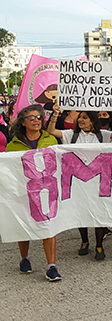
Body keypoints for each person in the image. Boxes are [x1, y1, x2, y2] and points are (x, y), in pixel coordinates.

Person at [46, 104, 112, 260]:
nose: (81, 120)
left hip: (99, 181)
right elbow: (51, 131)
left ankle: (99, 244)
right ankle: (84, 241)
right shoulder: (71, 135)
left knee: (99, 213)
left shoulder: (103, 135)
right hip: (78, 181)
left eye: (85, 117)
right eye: (80, 117)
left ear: (92, 121)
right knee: (81, 211)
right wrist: (55, 114)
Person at [6, 105, 62, 280]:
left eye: (39, 117)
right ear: (23, 122)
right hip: (24, 193)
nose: (37, 120)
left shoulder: (51, 140)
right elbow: (9, 171)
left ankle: (51, 266)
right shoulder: (13, 145)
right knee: (24, 227)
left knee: (49, 226)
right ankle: (24, 258)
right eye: (32, 117)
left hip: (47, 191)